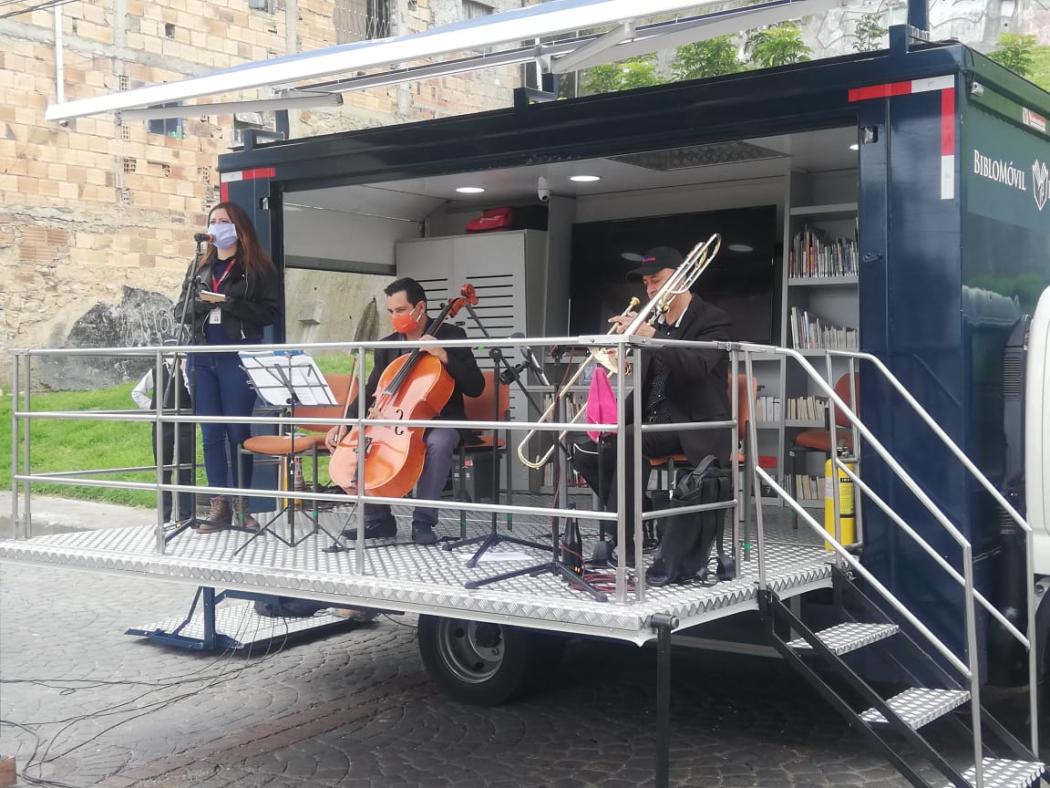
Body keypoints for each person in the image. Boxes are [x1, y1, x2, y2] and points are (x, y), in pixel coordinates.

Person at [571, 246, 732, 558]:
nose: (651, 289)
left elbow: (695, 368)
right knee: (586, 446)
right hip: (653, 419)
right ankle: (640, 515)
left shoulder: (713, 319)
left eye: (657, 280)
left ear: (682, 278)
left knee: (632, 439)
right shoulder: (655, 322)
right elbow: (646, 383)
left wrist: (651, 336)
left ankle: (623, 540)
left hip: (692, 422)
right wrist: (611, 419)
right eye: (646, 283)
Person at [325, 277, 484, 545]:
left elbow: (476, 386)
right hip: (393, 419)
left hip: (440, 419)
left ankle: (423, 521)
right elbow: (372, 390)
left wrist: (444, 355)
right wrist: (346, 423)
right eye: (390, 312)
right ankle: (379, 520)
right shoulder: (387, 345)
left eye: (400, 310)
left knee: (439, 441)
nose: (394, 317)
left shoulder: (452, 336)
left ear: (419, 307)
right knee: (353, 446)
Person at [175, 202, 281, 533]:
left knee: (237, 432)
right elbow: (179, 310)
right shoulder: (200, 266)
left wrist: (229, 304)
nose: (216, 226)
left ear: (239, 227)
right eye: (213, 221)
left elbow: (269, 313)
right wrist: (198, 304)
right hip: (203, 356)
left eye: (223, 221)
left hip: (238, 355)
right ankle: (219, 505)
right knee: (210, 433)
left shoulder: (257, 267)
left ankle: (241, 505)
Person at [131, 358, 196, 523]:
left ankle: (186, 515)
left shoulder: (189, 369)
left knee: (186, 468)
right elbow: (137, 392)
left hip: (185, 422)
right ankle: (164, 516)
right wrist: (154, 408)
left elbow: (194, 392)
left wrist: (185, 372)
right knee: (163, 469)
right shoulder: (156, 371)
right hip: (163, 425)